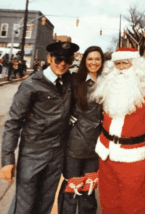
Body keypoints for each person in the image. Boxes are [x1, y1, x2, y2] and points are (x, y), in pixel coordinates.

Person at [91, 47, 145, 214]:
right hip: (106, 151)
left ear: (136, 65)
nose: (121, 68)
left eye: (125, 63)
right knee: (108, 200)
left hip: (133, 155)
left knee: (134, 202)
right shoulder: (108, 83)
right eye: (117, 64)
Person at [0, 41, 79, 214]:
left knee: (45, 203)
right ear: (49, 58)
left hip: (56, 152)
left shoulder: (69, 81)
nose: (63, 64)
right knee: (25, 204)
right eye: (58, 59)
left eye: (67, 60)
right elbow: (13, 122)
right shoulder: (31, 84)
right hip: (33, 152)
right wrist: (7, 160)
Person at [58, 46, 104, 214]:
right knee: (73, 186)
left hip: (98, 144)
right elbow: (61, 103)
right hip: (76, 142)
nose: (93, 62)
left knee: (89, 188)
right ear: (84, 61)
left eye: (97, 59)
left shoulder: (107, 81)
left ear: (102, 61)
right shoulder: (75, 80)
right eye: (90, 59)